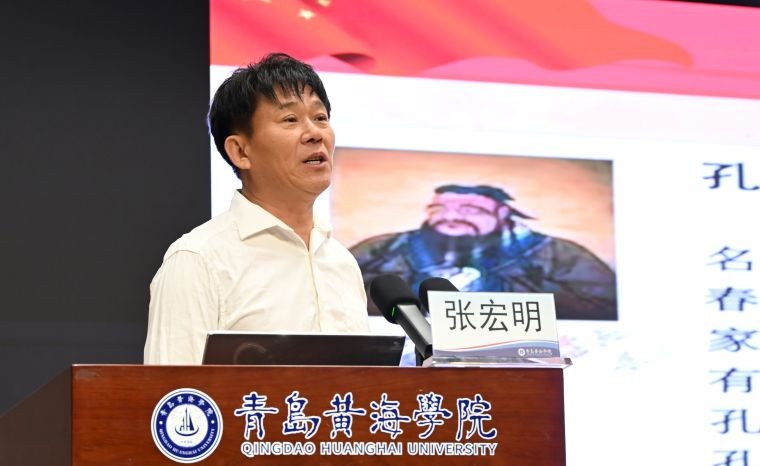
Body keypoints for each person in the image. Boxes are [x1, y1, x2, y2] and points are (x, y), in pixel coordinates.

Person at [144, 53, 369, 364]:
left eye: (320, 118)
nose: (315, 134)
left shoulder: (342, 263)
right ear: (240, 151)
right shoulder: (198, 260)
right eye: (290, 120)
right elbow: (173, 391)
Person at [350, 184, 618, 321]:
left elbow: (602, 306)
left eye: (469, 210)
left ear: (503, 214)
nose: (450, 217)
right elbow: (338, 296)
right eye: (438, 209)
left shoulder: (554, 253)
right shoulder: (385, 248)